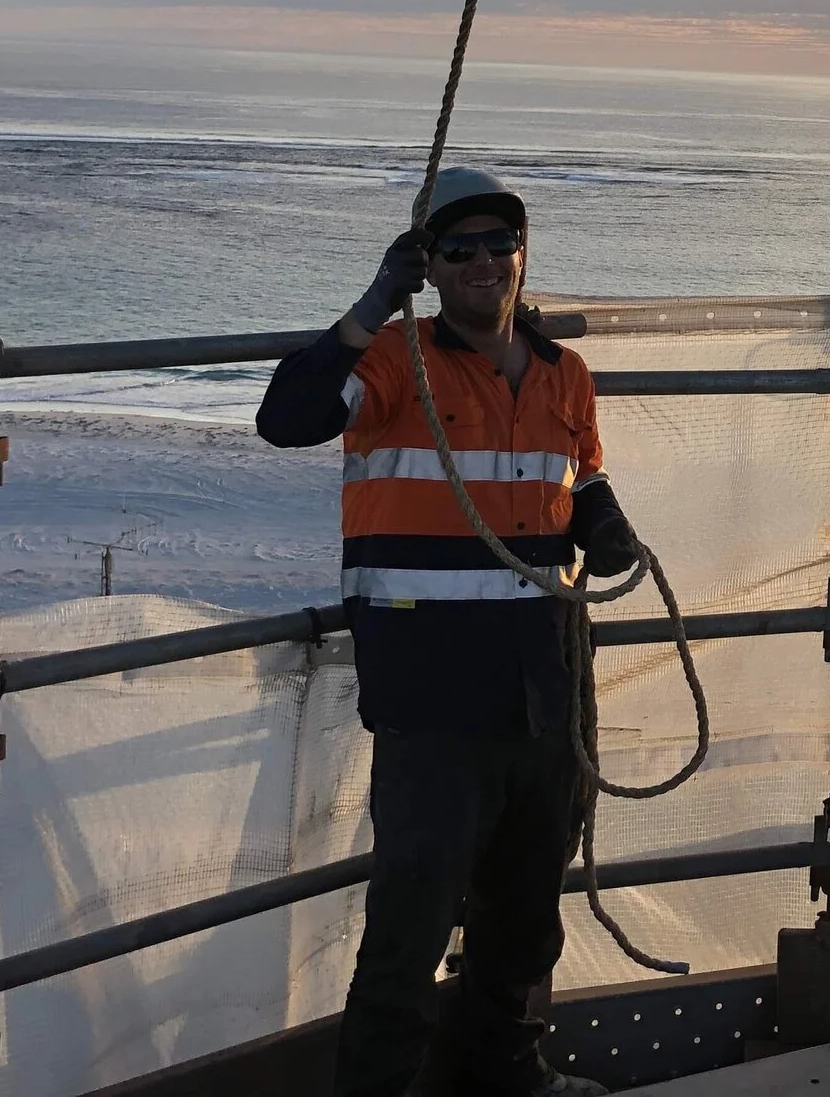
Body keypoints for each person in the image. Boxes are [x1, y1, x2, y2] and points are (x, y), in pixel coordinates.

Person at [258, 165, 635, 1097]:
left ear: (522, 254)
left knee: (524, 920)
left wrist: (601, 516)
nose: (482, 260)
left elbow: (580, 469)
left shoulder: (564, 374)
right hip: (433, 705)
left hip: (544, 692)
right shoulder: (395, 362)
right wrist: (372, 302)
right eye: (458, 246)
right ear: (428, 265)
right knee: (410, 930)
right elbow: (287, 418)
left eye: (499, 241)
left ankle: (506, 1077)